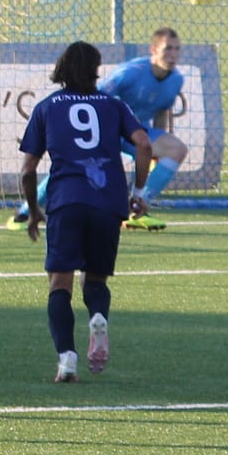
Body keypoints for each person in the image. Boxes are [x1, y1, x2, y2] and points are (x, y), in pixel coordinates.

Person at [18, 41, 153, 382]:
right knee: (95, 278)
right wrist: (138, 192)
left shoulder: (47, 107)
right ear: (95, 70)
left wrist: (34, 210)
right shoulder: (113, 105)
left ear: (62, 68)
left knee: (59, 283)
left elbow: (27, 170)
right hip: (108, 202)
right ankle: (98, 316)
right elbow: (144, 144)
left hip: (67, 201)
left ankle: (66, 357)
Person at [14, 27, 187, 231]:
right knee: (75, 163)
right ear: (153, 50)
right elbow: (93, 97)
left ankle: (138, 207)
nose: (173, 55)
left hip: (135, 133)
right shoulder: (129, 74)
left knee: (176, 149)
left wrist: (157, 147)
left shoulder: (176, 80)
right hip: (105, 131)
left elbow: (161, 112)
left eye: (176, 49)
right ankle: (25, 212)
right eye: (168, 49)